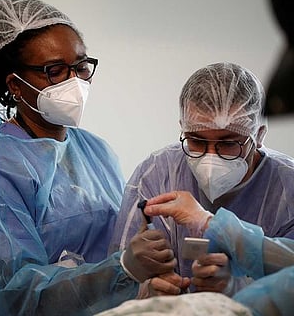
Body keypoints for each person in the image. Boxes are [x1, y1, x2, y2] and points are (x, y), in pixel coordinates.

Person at [0, 0, 178, 315]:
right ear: (14, 84)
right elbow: (20, 294)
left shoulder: (95, 151)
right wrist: (123, 269)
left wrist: (145, 276)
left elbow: (116, 242)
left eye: (81, 66)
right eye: (55, 71)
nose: (74, 81)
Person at [109, 62, 294, 297]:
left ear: (258, 136)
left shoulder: (287, 187)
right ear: (183, 129)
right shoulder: (157, 173)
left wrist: (236, 289)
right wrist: (144, 292)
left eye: (228, 143)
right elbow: (116, 279)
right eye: (196, 141)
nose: (210, 158)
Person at [142, 191, 294, 316]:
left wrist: (231, 288)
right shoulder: (155, 172)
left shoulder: (287, 190)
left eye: (227, 151)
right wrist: (142, 286)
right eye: (197, 151)